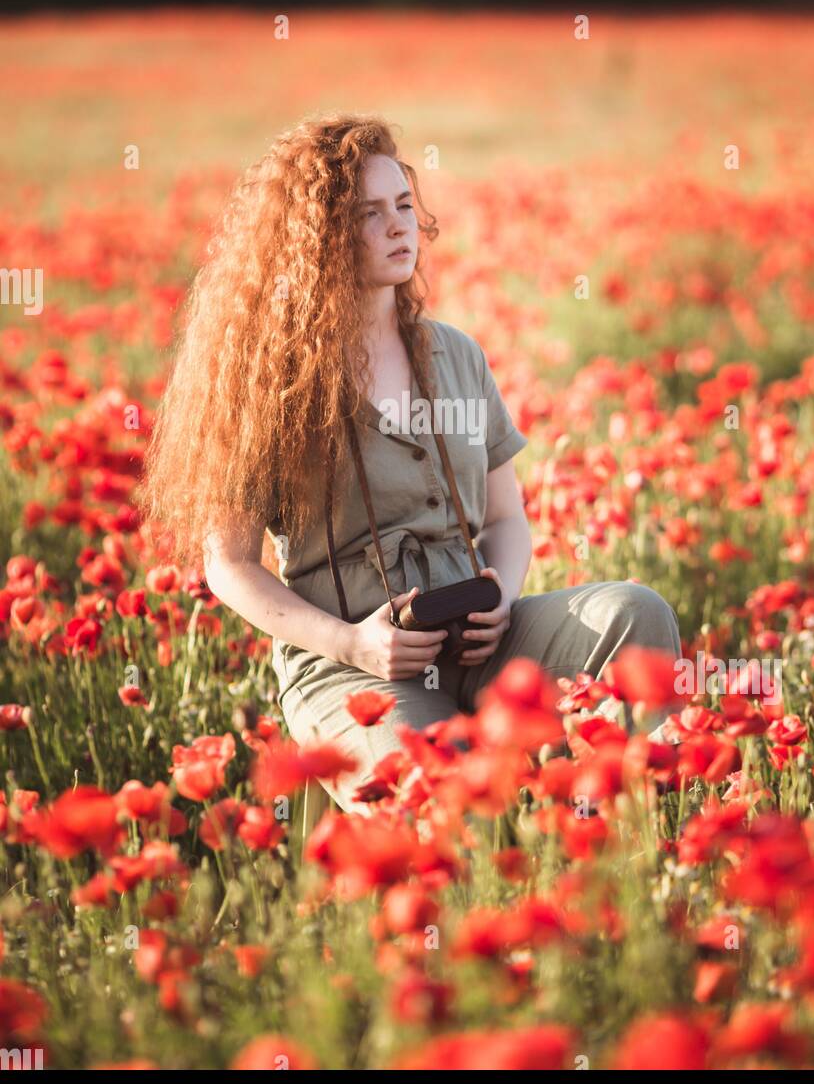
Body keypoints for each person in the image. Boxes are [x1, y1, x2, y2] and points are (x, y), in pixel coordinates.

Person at [140, 114, 681, 811]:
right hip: (354, 667)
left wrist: (503, 596)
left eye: (403, 206)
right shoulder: (268, 379)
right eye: (369, 214)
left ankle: (623, 832)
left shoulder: (456, 354)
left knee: (634, 613)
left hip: (479, 641)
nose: (399, 228)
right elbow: (231, 565)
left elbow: (509, 520)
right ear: (320, 237)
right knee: (432, 795)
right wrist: (354, 644)